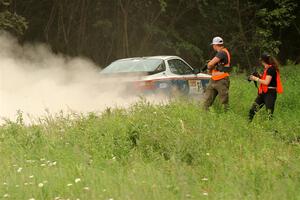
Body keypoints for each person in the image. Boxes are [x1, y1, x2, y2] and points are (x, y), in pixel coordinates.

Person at [248, 53, 283, 121]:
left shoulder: (271, 69)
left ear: (263, 61)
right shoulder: (267, 69)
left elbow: (266, 82)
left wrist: (255, 79)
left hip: (270, 93)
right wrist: (259, 76)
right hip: (263, 93)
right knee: (252, 110)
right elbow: (266, 79)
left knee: (269, 113)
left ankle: (271, 128)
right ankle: (248, 124)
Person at [203, 36, 231, 111]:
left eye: (213, 45)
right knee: (207, 101)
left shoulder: (222, 52)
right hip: (214, 80)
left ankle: (226, 118)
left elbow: (210, 64)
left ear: (215, 45)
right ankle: (205, 116)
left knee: (224, 102)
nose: (213, 47)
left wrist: (209, 66)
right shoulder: (221, 53)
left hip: (221, 80)